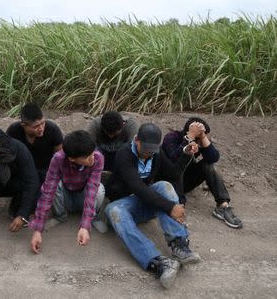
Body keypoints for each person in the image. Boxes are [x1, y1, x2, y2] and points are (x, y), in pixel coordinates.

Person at [105, 123, 201, 289]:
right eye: (146, 149)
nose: (149, 153)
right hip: (125, 204)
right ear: (136, 140)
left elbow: (174, 174)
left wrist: (186, 154)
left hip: (147, 202)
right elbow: (138, 188)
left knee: (164, 185)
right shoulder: (124, 154)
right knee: (113, 210)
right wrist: (170, 207)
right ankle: (159, 263)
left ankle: (180, 245)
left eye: (153, 149)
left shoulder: (156, 153)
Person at [29, 130, 107, 254]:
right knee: (51, 186)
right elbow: (48, 191)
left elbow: (92, 190)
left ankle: (93, 218)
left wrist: (84, 226)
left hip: (84, 194)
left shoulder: (98, 158)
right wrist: (38, 230)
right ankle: (60, 216)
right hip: (66, 194)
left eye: (92, 153)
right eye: (87, 157)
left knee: (99, 189)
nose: (92, 159)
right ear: (72, 159)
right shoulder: (58, 159)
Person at [162, 117, 243, 228]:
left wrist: (203, 137)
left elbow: (213, 158)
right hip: (168, 184)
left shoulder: (199, 141)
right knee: (179, 164)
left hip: (185, 182)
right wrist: (189, 138)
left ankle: (223, 206)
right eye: (199, 135)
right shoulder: (171, 138)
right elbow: (173, 159)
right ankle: (178, 207)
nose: (201, 140)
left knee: (207, 165)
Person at [7, 103, 63, 184]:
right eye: (36, 126)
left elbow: (60, 156)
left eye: (42, 123)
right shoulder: (13, 131)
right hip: (22, 172)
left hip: (46, 172)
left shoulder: (52, 130)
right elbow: (8, 155)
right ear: (24, 125)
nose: (41, 128)